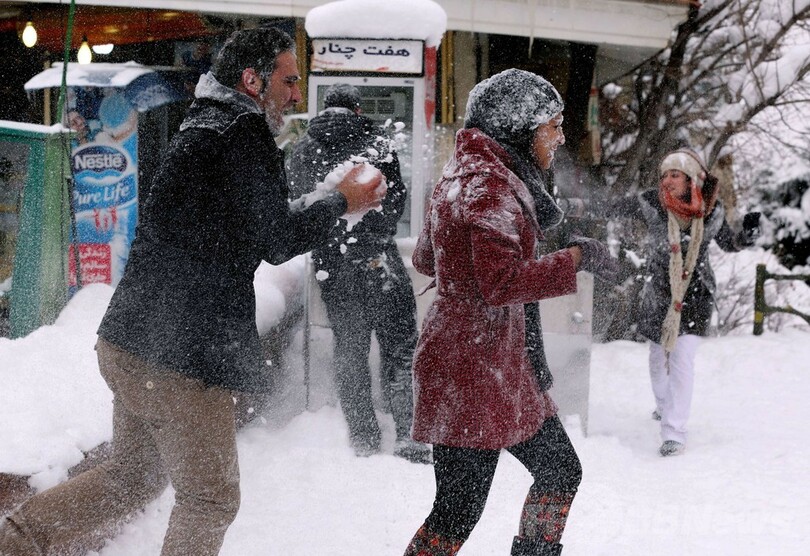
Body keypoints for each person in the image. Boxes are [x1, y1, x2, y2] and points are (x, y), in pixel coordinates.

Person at [0, 27, 384, 556]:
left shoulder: (204, 123)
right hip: (181, 358)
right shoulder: (242, 134)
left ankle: (16, 539)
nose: (297, 94)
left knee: (132, 477)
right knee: (210, 499)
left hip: (132, 342)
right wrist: (342, 200)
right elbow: (276, 239)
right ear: (253, 81)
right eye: (289, 80)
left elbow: (246, 225)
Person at [401, 69, 618, 556]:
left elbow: (425, 259)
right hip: (475, 370)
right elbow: (500, 285)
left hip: (493, 364)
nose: (560, 138)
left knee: (558, 472)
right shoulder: (488, 184)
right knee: (457, 511)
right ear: (519, 125)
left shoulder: (468, 175)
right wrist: (576, 260)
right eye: (553, 126)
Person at [287, 83, 430, 464]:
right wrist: (374, 229)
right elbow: (394, 197)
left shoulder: (303, 150)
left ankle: (364, 438)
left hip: (332, 264)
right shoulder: (377, 142)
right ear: (356, 108)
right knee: (399, 345)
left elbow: (301, 206)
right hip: (377, 257)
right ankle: (409, 435)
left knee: (350, 349)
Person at [612, 148, 760, 457]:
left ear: (691, 178)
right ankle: (665, 406)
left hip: (697, 295)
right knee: (657, 358)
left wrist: (746, 235)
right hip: (659, 292)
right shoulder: (652, 203)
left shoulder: (711, 210)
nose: (667, 181)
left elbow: (728, 243)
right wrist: (568, 205)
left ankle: (674, 431)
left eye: (674, 175)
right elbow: (610, 207)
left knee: (681, 360)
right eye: (663, 175)